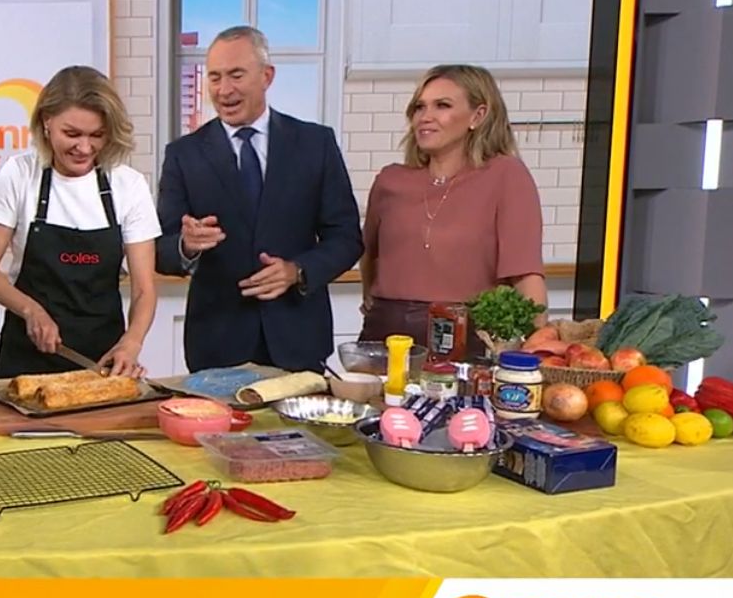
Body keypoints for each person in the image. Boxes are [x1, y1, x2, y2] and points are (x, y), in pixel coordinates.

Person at [156, 26, 363, 372]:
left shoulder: (316, 144)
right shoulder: (183, 155)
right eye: (215, 77)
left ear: (267, 76)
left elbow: (346, 238)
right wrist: (186, 245)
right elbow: (160, 248)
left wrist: (298, 271)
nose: (224, 90)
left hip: (298, 340)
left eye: (236, 75)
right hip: (216, 346)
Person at [0, 65, 160, 378]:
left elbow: (144, 289)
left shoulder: (129, 186)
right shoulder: (20, 175)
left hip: (102, 362)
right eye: (71, 134)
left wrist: (132, 342)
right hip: (25, 361)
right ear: (47, 122)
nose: (84, 148)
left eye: (96, 135)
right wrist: (31, 310)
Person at [358, 64, 546, 346]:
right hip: (385, 335)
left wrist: (537, 349)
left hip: (464, 338)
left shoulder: (506, 175)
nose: (425, 117)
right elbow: (369, 255)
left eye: (442, 105)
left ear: (478, 115)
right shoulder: (390, 180)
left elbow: (525, 273)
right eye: (419, 107)